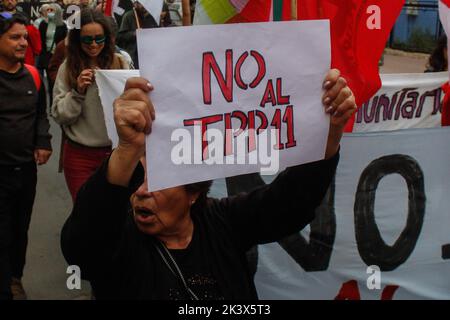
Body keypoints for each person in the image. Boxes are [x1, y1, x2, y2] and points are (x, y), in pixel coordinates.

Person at [61, 69, 356, 299]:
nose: (141, 191)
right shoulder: (119, 241)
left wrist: (327, 136)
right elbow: (81, 246)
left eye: (159, 180)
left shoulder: (222, 221)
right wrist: (126, 151)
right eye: (136, 181)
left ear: (194, 191)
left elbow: (290, 203)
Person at [52, 8, 130, 202]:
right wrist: (77, 92)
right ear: (78, 40)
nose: (94, 44)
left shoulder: (120, 63)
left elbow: (132, 104)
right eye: (87, 39)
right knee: (84, 215)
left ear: (108, 38)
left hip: (115, 154)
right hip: (80, 156)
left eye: (99, 38)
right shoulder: (68, 67)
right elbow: (60, 115)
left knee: (114, 214)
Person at [0, 13, 52, 300]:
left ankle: (14, 278)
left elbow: (41, 115)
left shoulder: (32, 74)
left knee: (20, 230)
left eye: (24, 37)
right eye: (14, 37)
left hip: (25, 171)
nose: (23, 43)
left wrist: (43, 141)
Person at [37, 3, 67, 104]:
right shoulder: (43, 24)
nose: (49, 12)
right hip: (46, 55)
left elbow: (64, 42)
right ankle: (47, 105)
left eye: (52, 10)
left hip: (57, 56)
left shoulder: (62, 26)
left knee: (54, 81)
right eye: (48, 10)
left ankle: (54, 103)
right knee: (45, 82)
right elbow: (40, 40)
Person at [117, 0, 159, 68]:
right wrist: (134, 33)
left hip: (150, 55)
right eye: (140, 3)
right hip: (134, 55)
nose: (143, 6)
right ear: (135, 4)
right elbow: (120, 37)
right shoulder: (129, 16)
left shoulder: (153, 17)